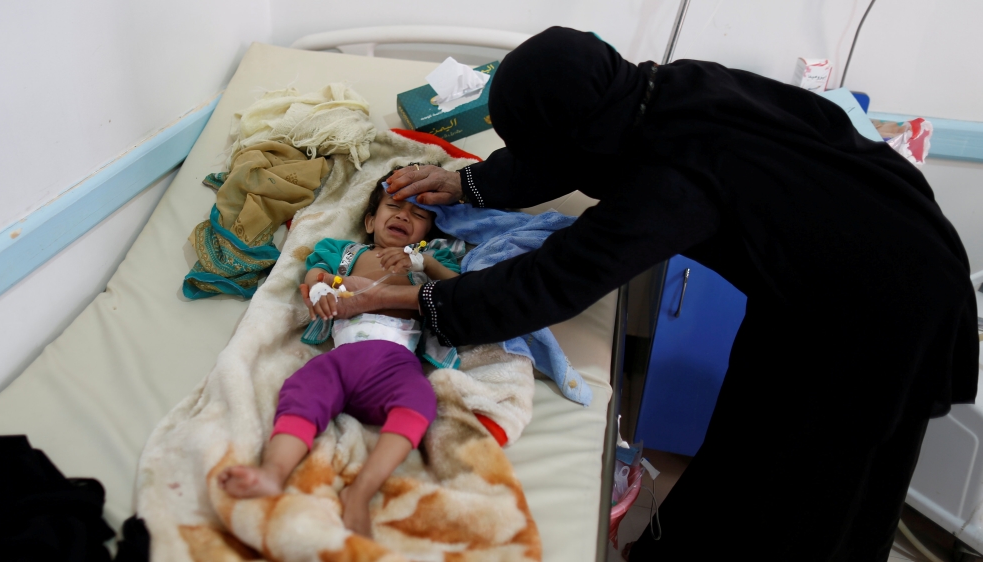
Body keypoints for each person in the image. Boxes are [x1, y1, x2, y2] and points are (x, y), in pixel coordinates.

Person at [320, 27, 979, 561]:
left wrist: (422, 302)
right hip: (853, 256)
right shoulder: (661, 89)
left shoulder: (672, 182)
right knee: (749, 428)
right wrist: (471, 185)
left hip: (883, 309)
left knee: (808, 484)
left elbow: (551, 281)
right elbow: (564, 147)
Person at [218, 171, 460, 537]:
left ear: (428, 231)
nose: (403, 216)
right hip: (341, 358)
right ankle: (273, 472)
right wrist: (321, 288)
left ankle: (361, 492)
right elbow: (315, 274)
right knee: (302, 388)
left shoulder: (429, 260)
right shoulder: (344, 252)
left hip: (395, 361)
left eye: (418, 214)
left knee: (420, 400)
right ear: (370, 221)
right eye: (393, 207)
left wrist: (421, 263)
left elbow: (459, 291)